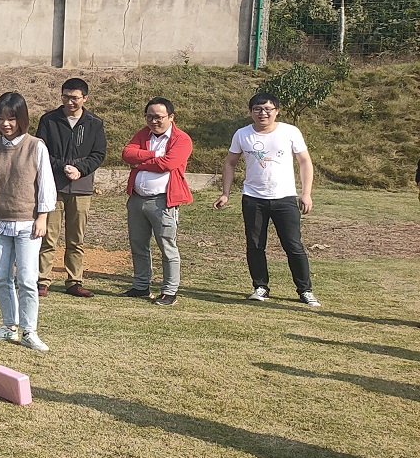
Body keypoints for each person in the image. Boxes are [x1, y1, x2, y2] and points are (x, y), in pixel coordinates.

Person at [0, 92, 55, 352]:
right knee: (2, 278)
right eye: (1, 118)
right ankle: (9, 325)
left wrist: (42, 216)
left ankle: (29, 331)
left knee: (27, 279)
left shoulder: (35, 146)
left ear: (22, 119)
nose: (6, 124)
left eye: (12, 118)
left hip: (28, 223)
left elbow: (46, 185)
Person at [215, 91, 319, 307]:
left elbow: (304, 161)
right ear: (251, 112)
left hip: (285, 198)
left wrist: (306, 193)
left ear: (276, 111)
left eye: (268, 109)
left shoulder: (290, 132)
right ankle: (260, 286)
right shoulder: (242, 134)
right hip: (253, 198)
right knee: (255, 245)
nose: (263, 113)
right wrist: (225, 193)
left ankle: (305, 290)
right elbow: (230, 163)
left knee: (293, 245)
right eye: (257, 109)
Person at [35, 77, 106, 298]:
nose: (69, 102)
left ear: (85, 98)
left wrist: (80, 170)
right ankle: (42, 280)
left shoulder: (94, 123)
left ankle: (74, 281)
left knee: (76, 238)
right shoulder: (49, 120)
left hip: (81, 187)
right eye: (65, 96)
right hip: (53, 186)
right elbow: (41, 150)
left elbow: (98, 154)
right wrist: (61, 166)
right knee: (48, 236)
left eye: (74, 97)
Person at [120, 97, 193, 305]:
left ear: (171, 117)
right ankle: (141, 286)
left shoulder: (181, 139)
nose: (154, 121)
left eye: (159, 117)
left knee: (167, 246)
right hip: (137, 200)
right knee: (138, 244)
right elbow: (127, 153)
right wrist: (153, 155)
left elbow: (168, 164)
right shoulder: (143, 134)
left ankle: (169, 291)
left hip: (163, 202)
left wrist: (140, 163)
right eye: (149, 117)